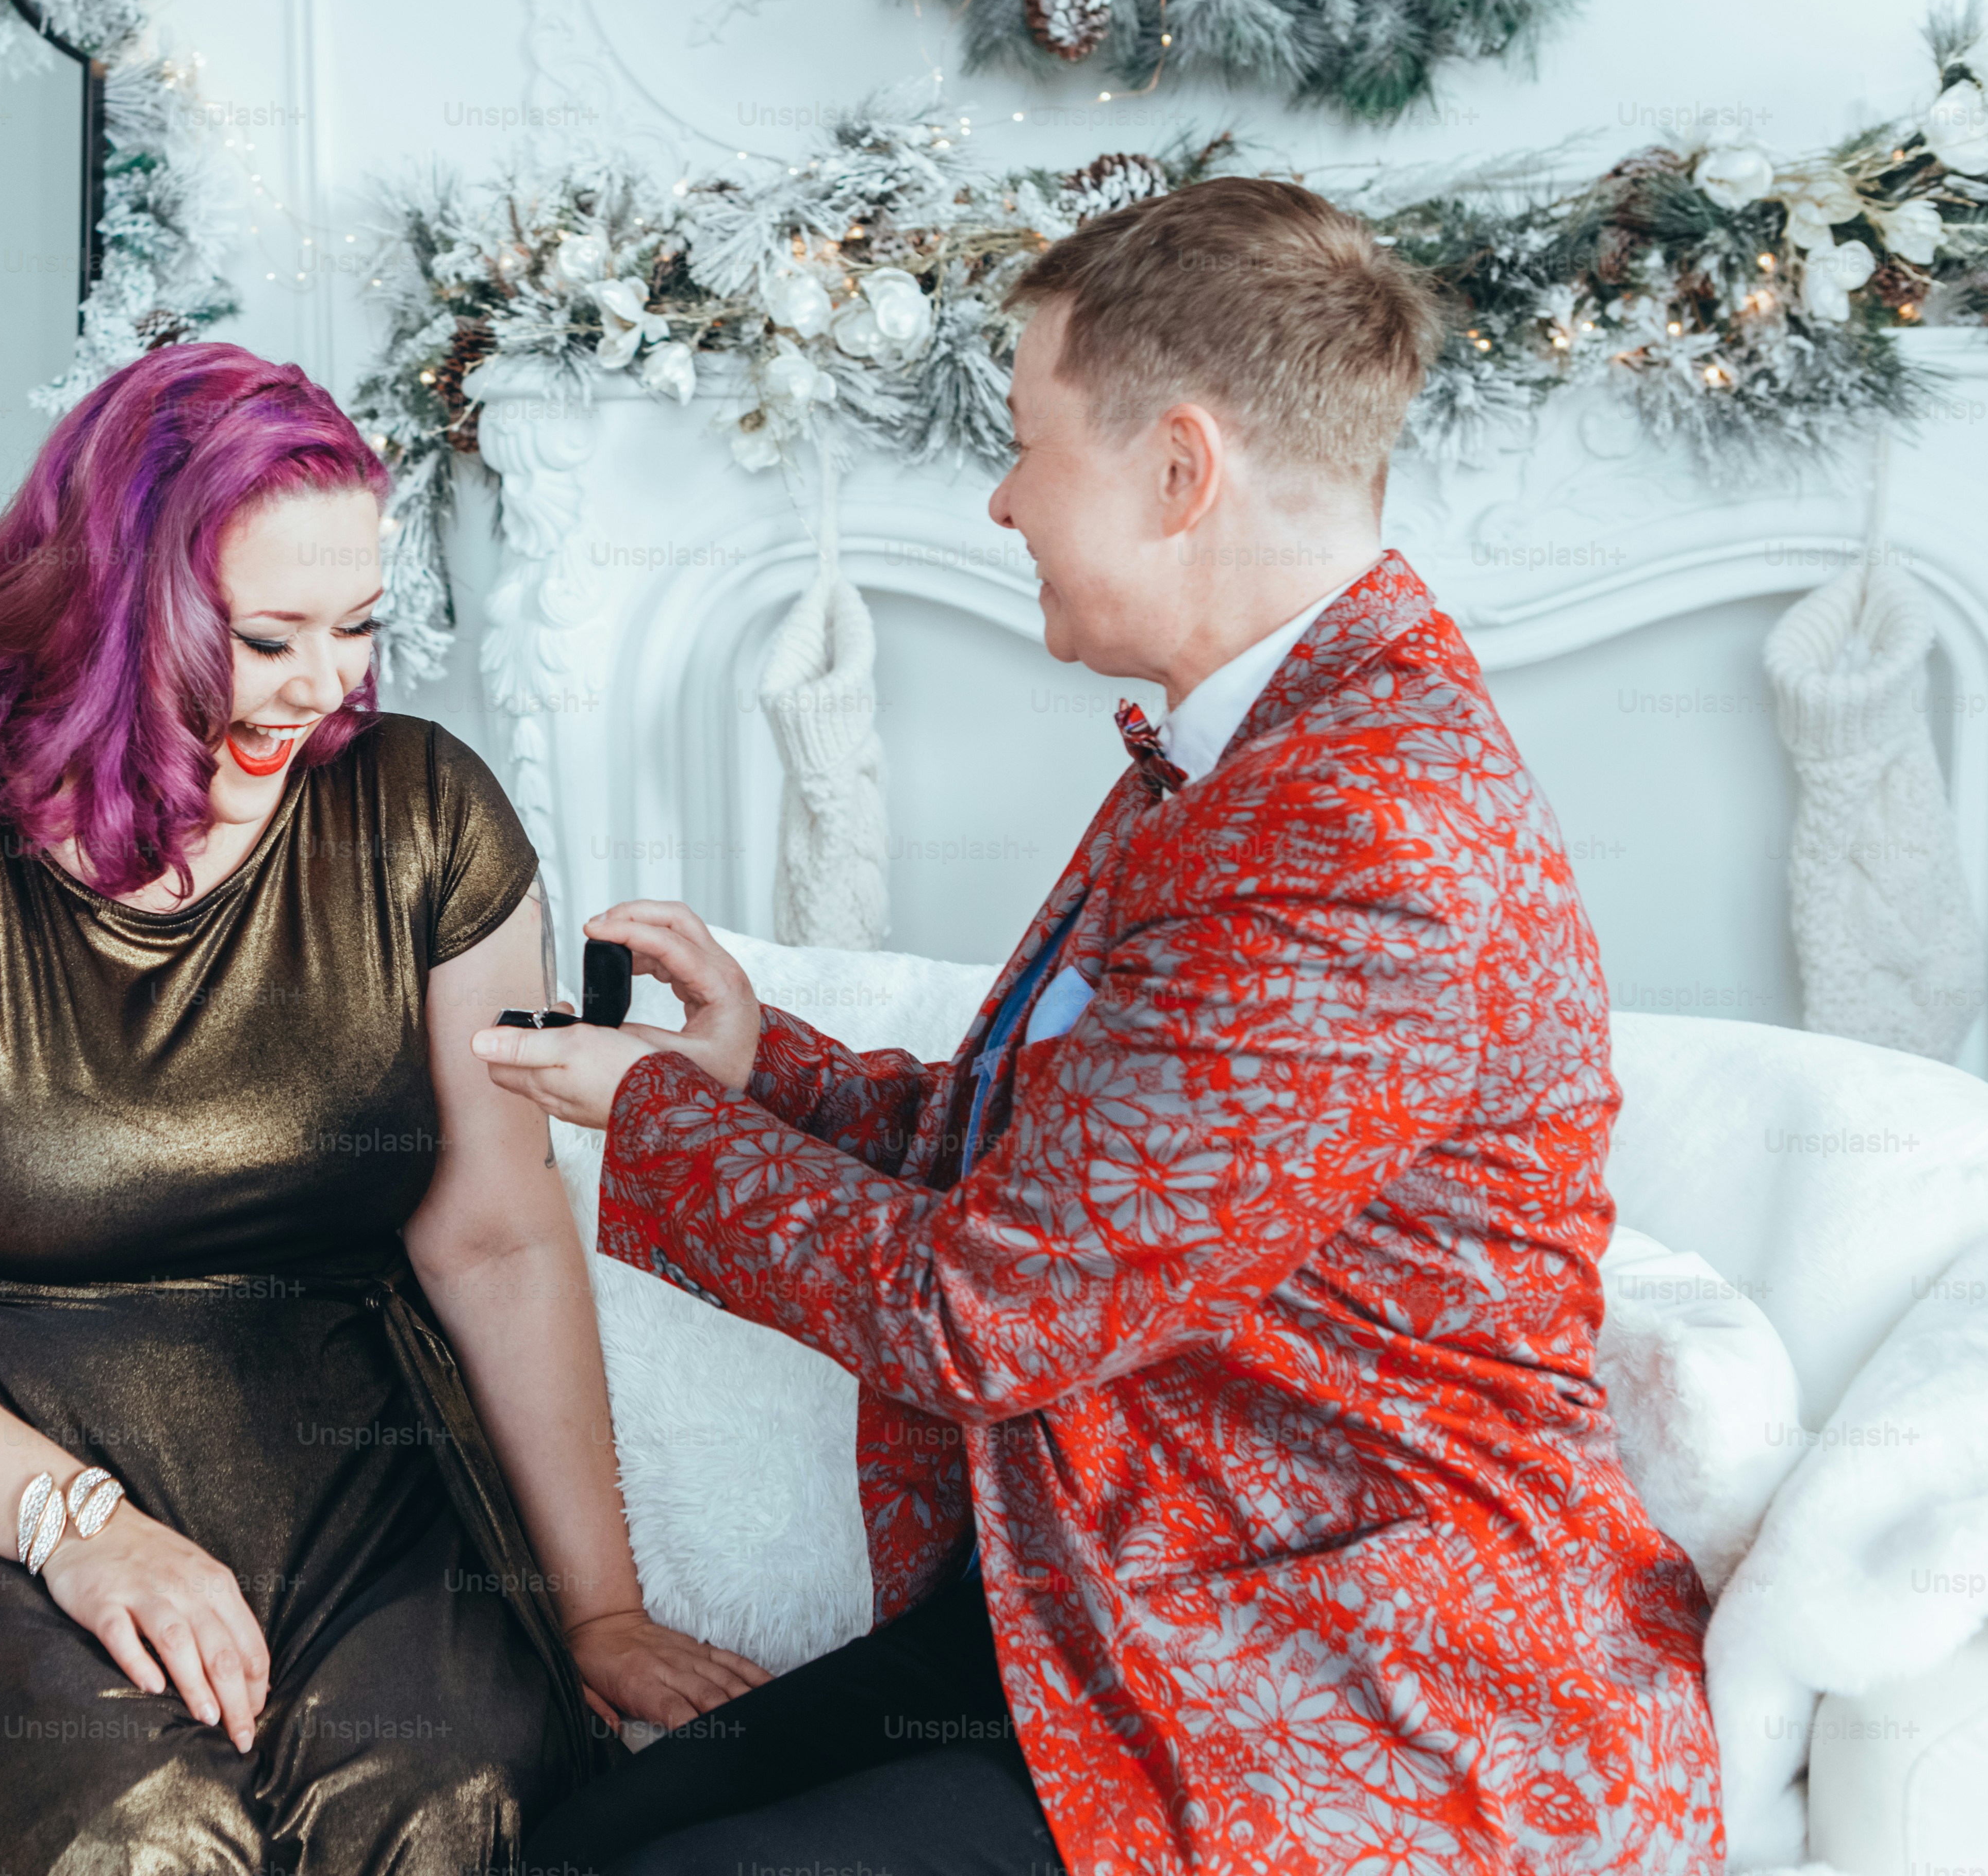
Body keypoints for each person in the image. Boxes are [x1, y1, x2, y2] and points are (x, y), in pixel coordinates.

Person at [480, 178, 1728, 1875]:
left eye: (1022, 440)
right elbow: (1058, 1167)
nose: (998, 502)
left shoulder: (1354, 830)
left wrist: (645, 1116)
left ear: (1180, 469)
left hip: (1341, 1658)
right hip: (1114, 1587)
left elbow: (987, 1310)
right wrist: (756, 1066)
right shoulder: (1251, 748)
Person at [0, 342, 768, 1874]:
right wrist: (73, 1526)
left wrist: (599, 1607)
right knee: (128, 1834)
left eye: (355, 629)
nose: (324, 688)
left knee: (446, 1810)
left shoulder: (424, 816)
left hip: (326, 1432)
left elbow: (494, 1237)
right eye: (268, 636)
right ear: (104, 613)